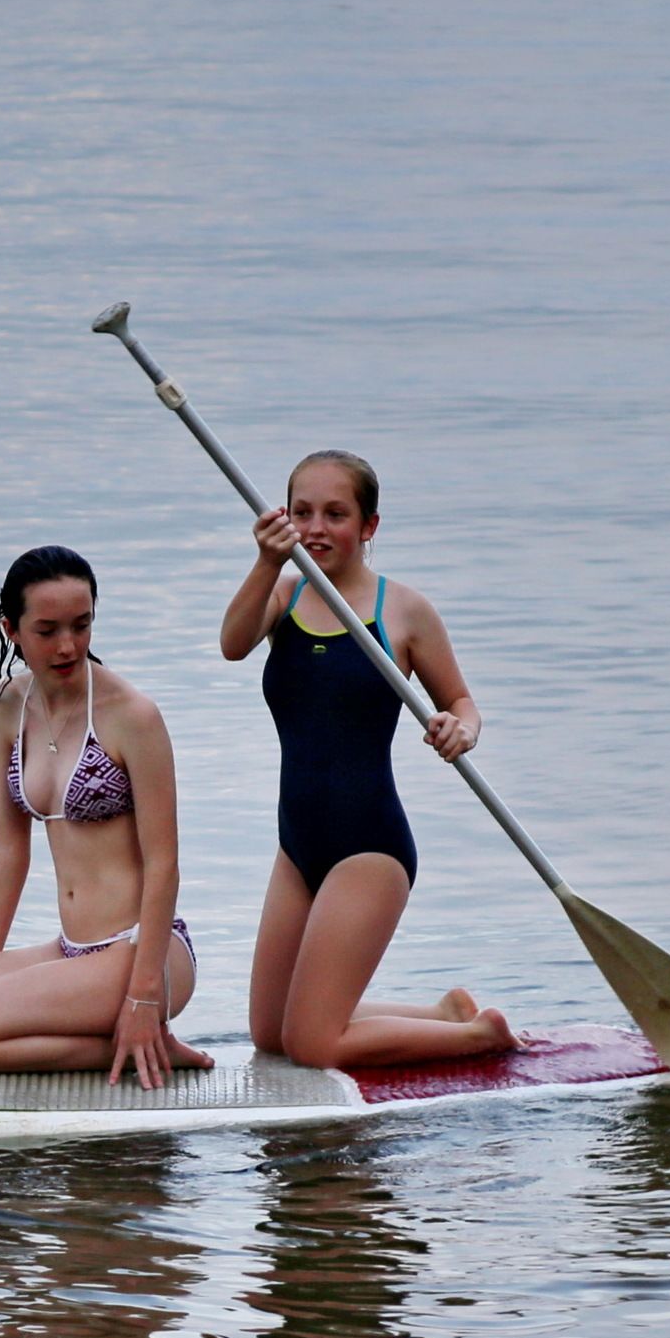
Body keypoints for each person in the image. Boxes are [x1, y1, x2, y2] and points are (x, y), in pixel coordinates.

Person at [217, 450, 513, 1070]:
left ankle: (479, 1036)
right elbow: (232, 644)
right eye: (302, 512)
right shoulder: (283, 593)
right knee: (270, 1034)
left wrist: (461, 729)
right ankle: (443, 1015)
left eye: (336, 514)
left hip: (369, 849)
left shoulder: (402, 610)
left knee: (312, 1045)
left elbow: (460, 701)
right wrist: (266, 560)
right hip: (296, 846)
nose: (316, 528)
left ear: (369, 525)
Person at [0, 546, 210, 1086]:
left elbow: (164, 863)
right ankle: (128, 1043)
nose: (68, 646)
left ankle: (148, 1039)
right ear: (11, 630)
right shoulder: (6, 707)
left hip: (144, 950)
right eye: (47, 630)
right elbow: (8, 849)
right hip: (71, 951)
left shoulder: (131, 716)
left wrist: (143, 995)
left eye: (81, 626)